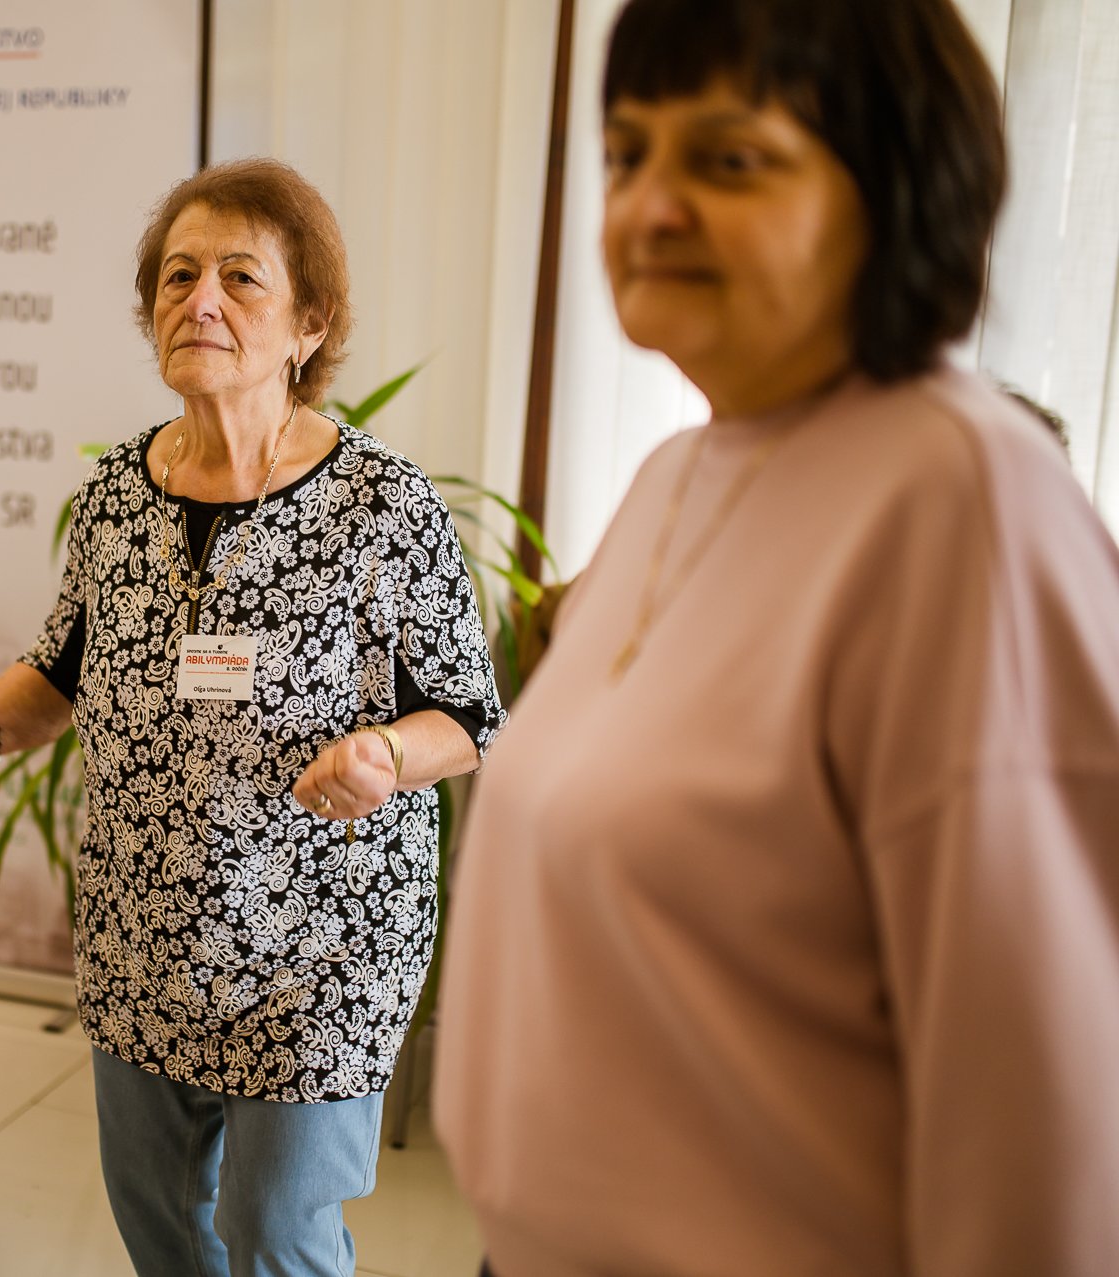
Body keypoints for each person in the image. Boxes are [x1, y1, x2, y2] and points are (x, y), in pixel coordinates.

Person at [433, 2, 1119, 1275]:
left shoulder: (959, 496)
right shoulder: (679, 471)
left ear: (897, 187)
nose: (649, 206)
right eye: (628, 153)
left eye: (729, 159)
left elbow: (1037, 1101)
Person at [0, 158, 504, 1277]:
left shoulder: (383, 503)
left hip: (323, 944)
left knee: (278, 1232)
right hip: (142, 930)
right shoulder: (118, 491)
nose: (200, 299)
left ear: (309, 325)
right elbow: (61, 670)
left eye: (241, 278)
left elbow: (469, 713)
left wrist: (388, 752)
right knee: (158, 1222)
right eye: (178, 275)